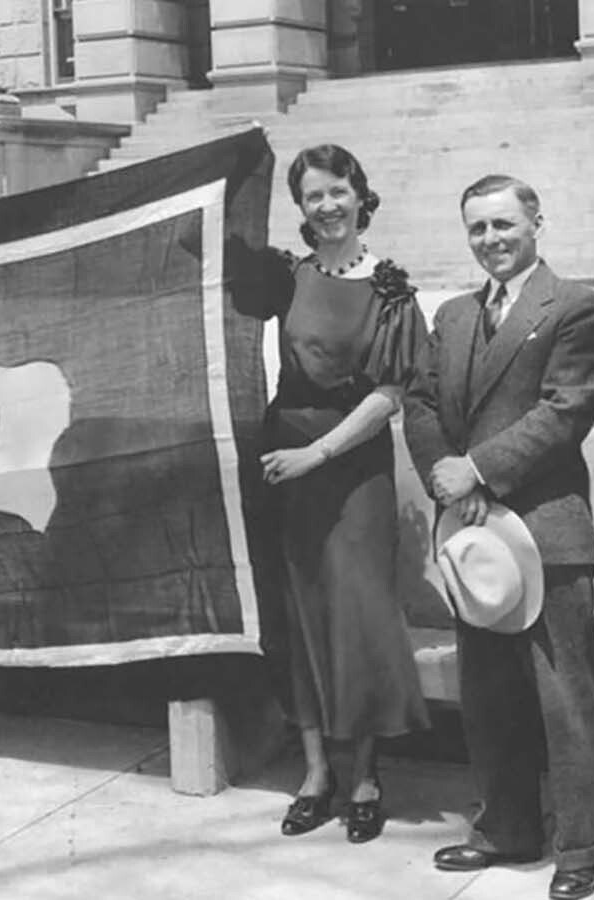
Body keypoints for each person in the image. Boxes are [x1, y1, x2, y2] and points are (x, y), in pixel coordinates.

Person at [402, 174, 594, 900]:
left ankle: (580, 846)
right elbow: (421, 402)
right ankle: (505, 828)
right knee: (488, 693)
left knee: (564, 697)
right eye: (478, 229)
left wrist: (481, 470)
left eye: (503, 225)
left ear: (536, 223)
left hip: (545, 531)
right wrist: (444, 477)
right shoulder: (455, 315)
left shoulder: (574, 307)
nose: (491, 240)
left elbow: (565, 411)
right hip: (471, 534)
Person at [232, 144, 430, 844]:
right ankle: (316, 773)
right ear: (302, 208)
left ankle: (367, 775)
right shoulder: (287, 277)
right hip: (284, 461)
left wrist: (317, 453)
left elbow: (389, 395)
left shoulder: (391, 287)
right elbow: (220, 261)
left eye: (338, 190)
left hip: (348, 463)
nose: (327, 205)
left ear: (359, 193)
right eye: (313, 195)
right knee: (302, 609)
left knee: (359, 612)